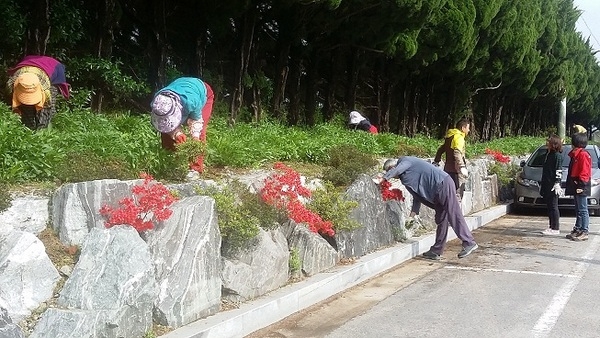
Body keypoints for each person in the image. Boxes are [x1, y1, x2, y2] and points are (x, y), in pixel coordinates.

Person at [381, 156, 478, 260]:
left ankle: (469, 242)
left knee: (453, 214)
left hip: (443, 183)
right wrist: (412, 215)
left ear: (392, 168)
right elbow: (417, 195)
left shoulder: (405, 161)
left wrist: (384, 178)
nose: (394, 176)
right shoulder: (405, 177)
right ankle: (436, 251)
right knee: (441, 220)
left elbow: (399, 169)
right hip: (437, 192)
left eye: (390, 171)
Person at [150, 77, 214, 173]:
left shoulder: (191, 101)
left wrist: (195, 137)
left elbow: (197, 120)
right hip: (183, 87)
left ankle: (195, 169)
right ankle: (171, 163)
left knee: (199, 134)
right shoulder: (158, 103)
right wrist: (177, 134)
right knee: (165, 130)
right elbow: (164, 123)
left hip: (202, 92)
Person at [7, 55, 70, 130]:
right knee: (25, 106)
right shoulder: (13, 82)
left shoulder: (45, 85)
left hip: (52, 69)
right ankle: (29, 127)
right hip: (30, 68)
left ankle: (45, 129)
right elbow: (13, 98)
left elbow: (47, 105)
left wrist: (41, 130)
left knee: (47, 106)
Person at [433, 118, 470, 199]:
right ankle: (456, 211)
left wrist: (436, 161)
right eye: (468, 128)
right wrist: (462, 167)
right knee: (458, 194)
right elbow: (457, 152)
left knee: (448, 193)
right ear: (463, 128)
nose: (469, 130)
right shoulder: (459, 137)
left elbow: (441, 149)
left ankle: (448, 211)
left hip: (447, 170)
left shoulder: (449, 136)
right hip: (456, 171)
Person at [565, 132, 591, 241]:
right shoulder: (576, 154)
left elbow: (584, 171)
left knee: (583, 209)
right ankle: (578, 228)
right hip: (576, 183)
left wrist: (581, 185)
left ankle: (584, 230)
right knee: (578, 209)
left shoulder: (583, 155)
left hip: (581, 184)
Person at [539, 135, 563, 236]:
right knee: (549, 206)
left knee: (554, 206)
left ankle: (555, 227)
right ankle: (551, 226)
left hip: (553, 184)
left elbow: (558, 170)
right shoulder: (548, 154)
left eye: (549, 142)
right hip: (547, 184)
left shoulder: (557, 156)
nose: (547, 144)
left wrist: (557, 182)